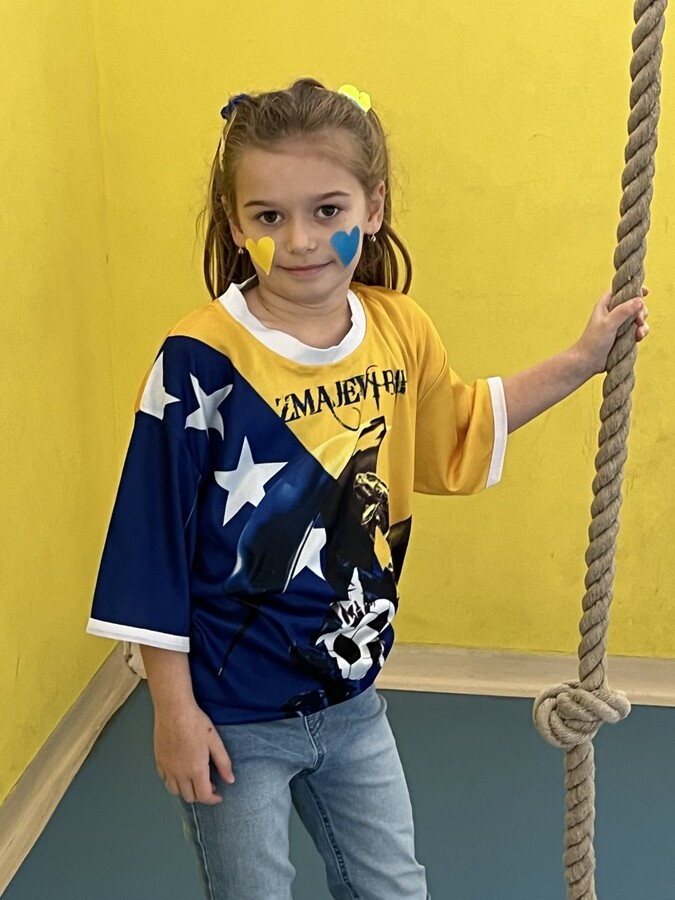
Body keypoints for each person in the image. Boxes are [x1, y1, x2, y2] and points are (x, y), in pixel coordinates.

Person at [87, 78, 649, 900]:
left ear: (372, 207)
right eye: (267, 216)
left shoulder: (398, 327)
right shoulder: (200, 359)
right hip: (231, 715)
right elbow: (150, 549)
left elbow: (456, 428)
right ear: (235, 224)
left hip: (350, 700)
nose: (300, 241)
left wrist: (579, 360)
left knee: (394, 887)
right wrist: (174, 714)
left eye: (328, 211)